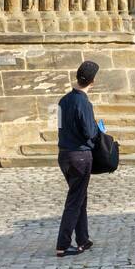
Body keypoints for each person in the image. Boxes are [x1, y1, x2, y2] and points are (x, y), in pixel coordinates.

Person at [56, 60, 100, 256]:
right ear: (93, 81)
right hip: (80, 156)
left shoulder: (63, 101)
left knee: (79, 196)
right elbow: (90, 132)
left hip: (64, 154)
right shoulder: (83, 102)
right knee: (75, 200)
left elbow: (60, 127)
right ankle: (63, 244)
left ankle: (83, 239)